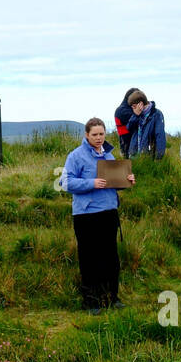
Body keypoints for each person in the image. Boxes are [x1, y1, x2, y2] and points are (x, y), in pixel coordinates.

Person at [60, 118, 134, 315]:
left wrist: (127, 181)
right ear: (86, 135)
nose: (99, 138)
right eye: (94, 134)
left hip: (109, 212)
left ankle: (112, 298)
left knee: (111, 258)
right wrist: (91, 183)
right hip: (86, 215)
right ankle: (91, 302)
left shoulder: (109, 157)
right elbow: (65, 183)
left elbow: (113, 183)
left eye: (101, 134)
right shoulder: (75, 156)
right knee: (89, 259)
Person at [125, 90, 166, 161]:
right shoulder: (136, 114)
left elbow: (160, 137)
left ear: (140, 104)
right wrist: (135, 116)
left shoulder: (156, 114)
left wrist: (158, 158)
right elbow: (128, 129)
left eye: (134, 106)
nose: (133, 109)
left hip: (149, 157)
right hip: (134, 156)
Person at [114, 88, 139, 157]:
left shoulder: (125, 109)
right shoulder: (123, 110)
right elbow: (139, 121)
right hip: (127, 146)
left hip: (128, 145)